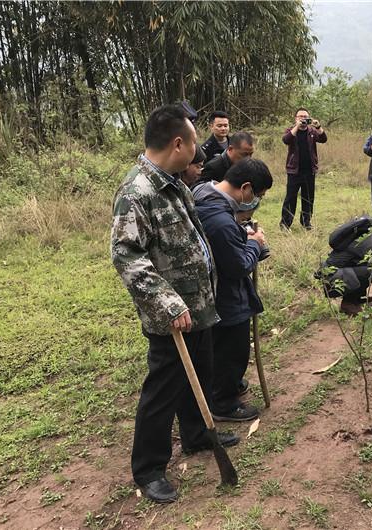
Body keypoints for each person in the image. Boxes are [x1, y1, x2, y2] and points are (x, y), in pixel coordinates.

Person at [111, 103, 238, 504]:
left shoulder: (173, 182)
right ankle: (149, 468)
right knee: (163, 387)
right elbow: (126, 256)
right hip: (171, 313)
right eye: (195, 142)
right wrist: (167, 303)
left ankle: (198, 435)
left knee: (198, 372)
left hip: (197, 304)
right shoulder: (136, 193)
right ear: (178, 143)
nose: (198, 150)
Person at [192, 159, 273, 421]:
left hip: (211, 291)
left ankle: (228, 385)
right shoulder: (219, 221)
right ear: (245, 188)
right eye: (257, 196)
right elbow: (238, 266)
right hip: (226, 296)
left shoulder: (203, 190)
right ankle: (223, 403)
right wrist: (255, 244)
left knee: (220, 347)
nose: (255, 202)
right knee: (232, 349)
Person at [280, 108, 327, 231]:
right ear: (295, 118)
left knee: (308, 198)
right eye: (300, 116)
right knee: (291, 197)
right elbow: (286, 140)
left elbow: (323, 139)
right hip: (294, 171)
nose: (302, 118)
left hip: (309, 170)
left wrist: (318, 127)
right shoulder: (291, 130)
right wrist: (297, 127)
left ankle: (306, 222)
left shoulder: (312, 131)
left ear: (309, 118)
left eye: (305, 116)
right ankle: (285, 224)